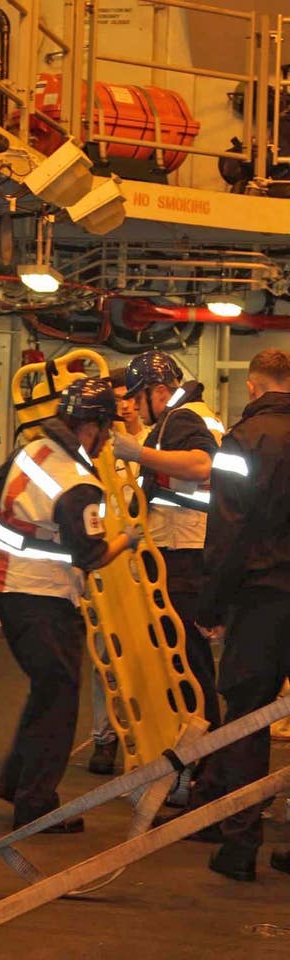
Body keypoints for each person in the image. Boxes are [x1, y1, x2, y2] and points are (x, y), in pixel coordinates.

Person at [0, 377, 142, 831]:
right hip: (44, 596)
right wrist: (127, 539)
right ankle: (34, 804)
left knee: (46, 688)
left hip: (9, 587)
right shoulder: (78, 483)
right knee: (58, 696)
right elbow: (91, 555)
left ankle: (16, 783)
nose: (109, 439)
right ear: (91, 427)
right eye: (107, 429)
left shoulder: (30, 450)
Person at [185, 348, 290, 882]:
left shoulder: (243, 441)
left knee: (248, 718)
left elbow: (226, 532)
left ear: (252, 388)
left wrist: (210, 606)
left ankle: (239, 844)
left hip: (263, 600)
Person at [112, 351, 223, 775]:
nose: (135, 407)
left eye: (139, 398)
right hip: (192, 551)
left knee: (187, 668)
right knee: (189, 665)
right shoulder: (193, 414)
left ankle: (205, 771)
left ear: (160, 391)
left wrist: (135, 452)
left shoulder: (180, 418)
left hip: (184, 555)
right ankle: (201, 769)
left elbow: (201, 464)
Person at [89, 367, 149, 776]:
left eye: (130, 397)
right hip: (106, 558)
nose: (125, 405)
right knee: (105, 656)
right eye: (117, 400)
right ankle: (104, 737)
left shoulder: (151, 445)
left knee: (146, 651)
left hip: (144, 559)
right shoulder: (95, 449)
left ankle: (143, 735)